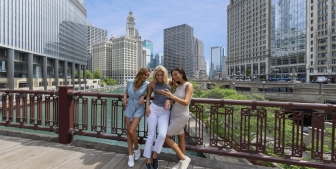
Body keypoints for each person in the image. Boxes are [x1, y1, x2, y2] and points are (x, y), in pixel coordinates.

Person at [161, 68, 194, 169]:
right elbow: (175, 101)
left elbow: (186, 102)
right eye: (173, 75)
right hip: (174, 115)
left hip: (182, 116)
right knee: (181, 137)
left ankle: (184, 159)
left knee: (166, 137)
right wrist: (169, 101)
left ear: (182, 73)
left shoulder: (188, 85)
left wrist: (171, 96)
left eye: (176, 74)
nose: (174, 77)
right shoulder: (177, 86)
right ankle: (181, 162)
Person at [143, 66, 172, 169]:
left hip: (165, 111)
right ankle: (148, 160)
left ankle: (155, 155)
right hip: (153, 109)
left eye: (161, 75)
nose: (159, 77)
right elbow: (148, 96)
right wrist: (147, 107)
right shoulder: (152, 83)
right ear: (155, 74)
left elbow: (176, 95)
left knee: (162, 135)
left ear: (165, 74)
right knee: (151, 135)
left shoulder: (170, 82)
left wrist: (169, 99)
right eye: (157, 75)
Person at [122, 67, 151, 167]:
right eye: (145, 74)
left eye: (147, 76)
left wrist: (143, 96)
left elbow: (150, 94)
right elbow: (126, 91)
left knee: (131, 130)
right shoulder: (130, 81)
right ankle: (130, 155)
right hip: (129, 106)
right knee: (128, 131)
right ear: (140, 73)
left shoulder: (147, 84)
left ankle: (136, 147)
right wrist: (125, 98)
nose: (146, 77)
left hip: (139, 108)